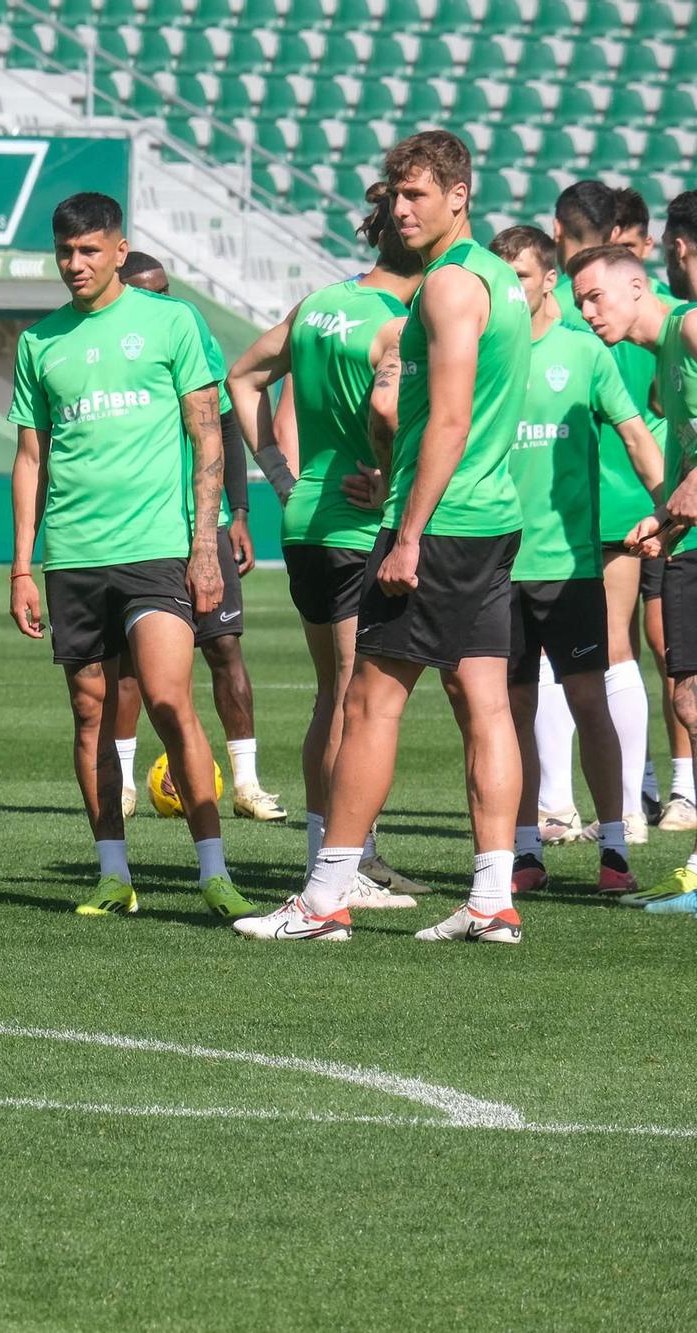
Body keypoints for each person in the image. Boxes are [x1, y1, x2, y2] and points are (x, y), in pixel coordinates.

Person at [236, 130, 530, 944]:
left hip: (440, 525)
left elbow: (450, 416)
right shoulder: (503, 279)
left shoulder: (444, 287)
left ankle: (325, 897)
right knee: (484, 703)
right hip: (492, 517)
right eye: (393, 195)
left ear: (460, 195)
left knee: (368, 703)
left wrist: (407, 532)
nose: (399, 210)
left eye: (417, 196)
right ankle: (491, 897)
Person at [8, 192, 255, 922]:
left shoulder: (171, 322)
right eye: (65, 252)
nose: (75, 264)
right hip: (73, 557)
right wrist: (23, 564)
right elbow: (31, 458)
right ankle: (112, 872)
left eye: (90, 250)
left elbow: (209, 435)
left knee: (169, 696)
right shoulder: (37, 343)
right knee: (90, 715)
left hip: (154, 549)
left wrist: (204, 544)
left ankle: (213, 868)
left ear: (120, 249)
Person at [225, 182, 427, 910]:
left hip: (306, 515)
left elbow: (241, 377)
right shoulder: (400, 322)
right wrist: (392, 477)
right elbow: (384, 407)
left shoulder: (317, 306)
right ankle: (342, 871)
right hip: (356, 520)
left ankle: (334, 856)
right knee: (355, 697)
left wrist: (282, 476)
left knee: (331, 696)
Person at [485, 226, 660, 897]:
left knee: (590, 700)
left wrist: (667, 509)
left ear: (547, 279)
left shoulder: (583, 353)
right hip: (499, 561)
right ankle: (525, 849)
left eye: (522, 279)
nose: (510, 292)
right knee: (513, 709)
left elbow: (635, 432)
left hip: (573, 566)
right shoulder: (484, 352)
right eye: (500, 282)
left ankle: (614, 845)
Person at [107, 252, 286, 825]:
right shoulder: (109, 345)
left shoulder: (189, 334)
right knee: (130, 664)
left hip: (201, 524)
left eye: (166, 290)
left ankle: (247, 783)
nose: (161, 301)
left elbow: (226, 424)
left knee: (225, 648)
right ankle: (125, 784)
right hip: (137, 527)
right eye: (148, 291)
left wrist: (238, 511)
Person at [571, 241, 697, 913]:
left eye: (597, 296)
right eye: (580, 301)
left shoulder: (686, 325)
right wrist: (665, 519)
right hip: (688, 545)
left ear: (640, 286)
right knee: (687, 700)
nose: (588, 312)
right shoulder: (663, 356)